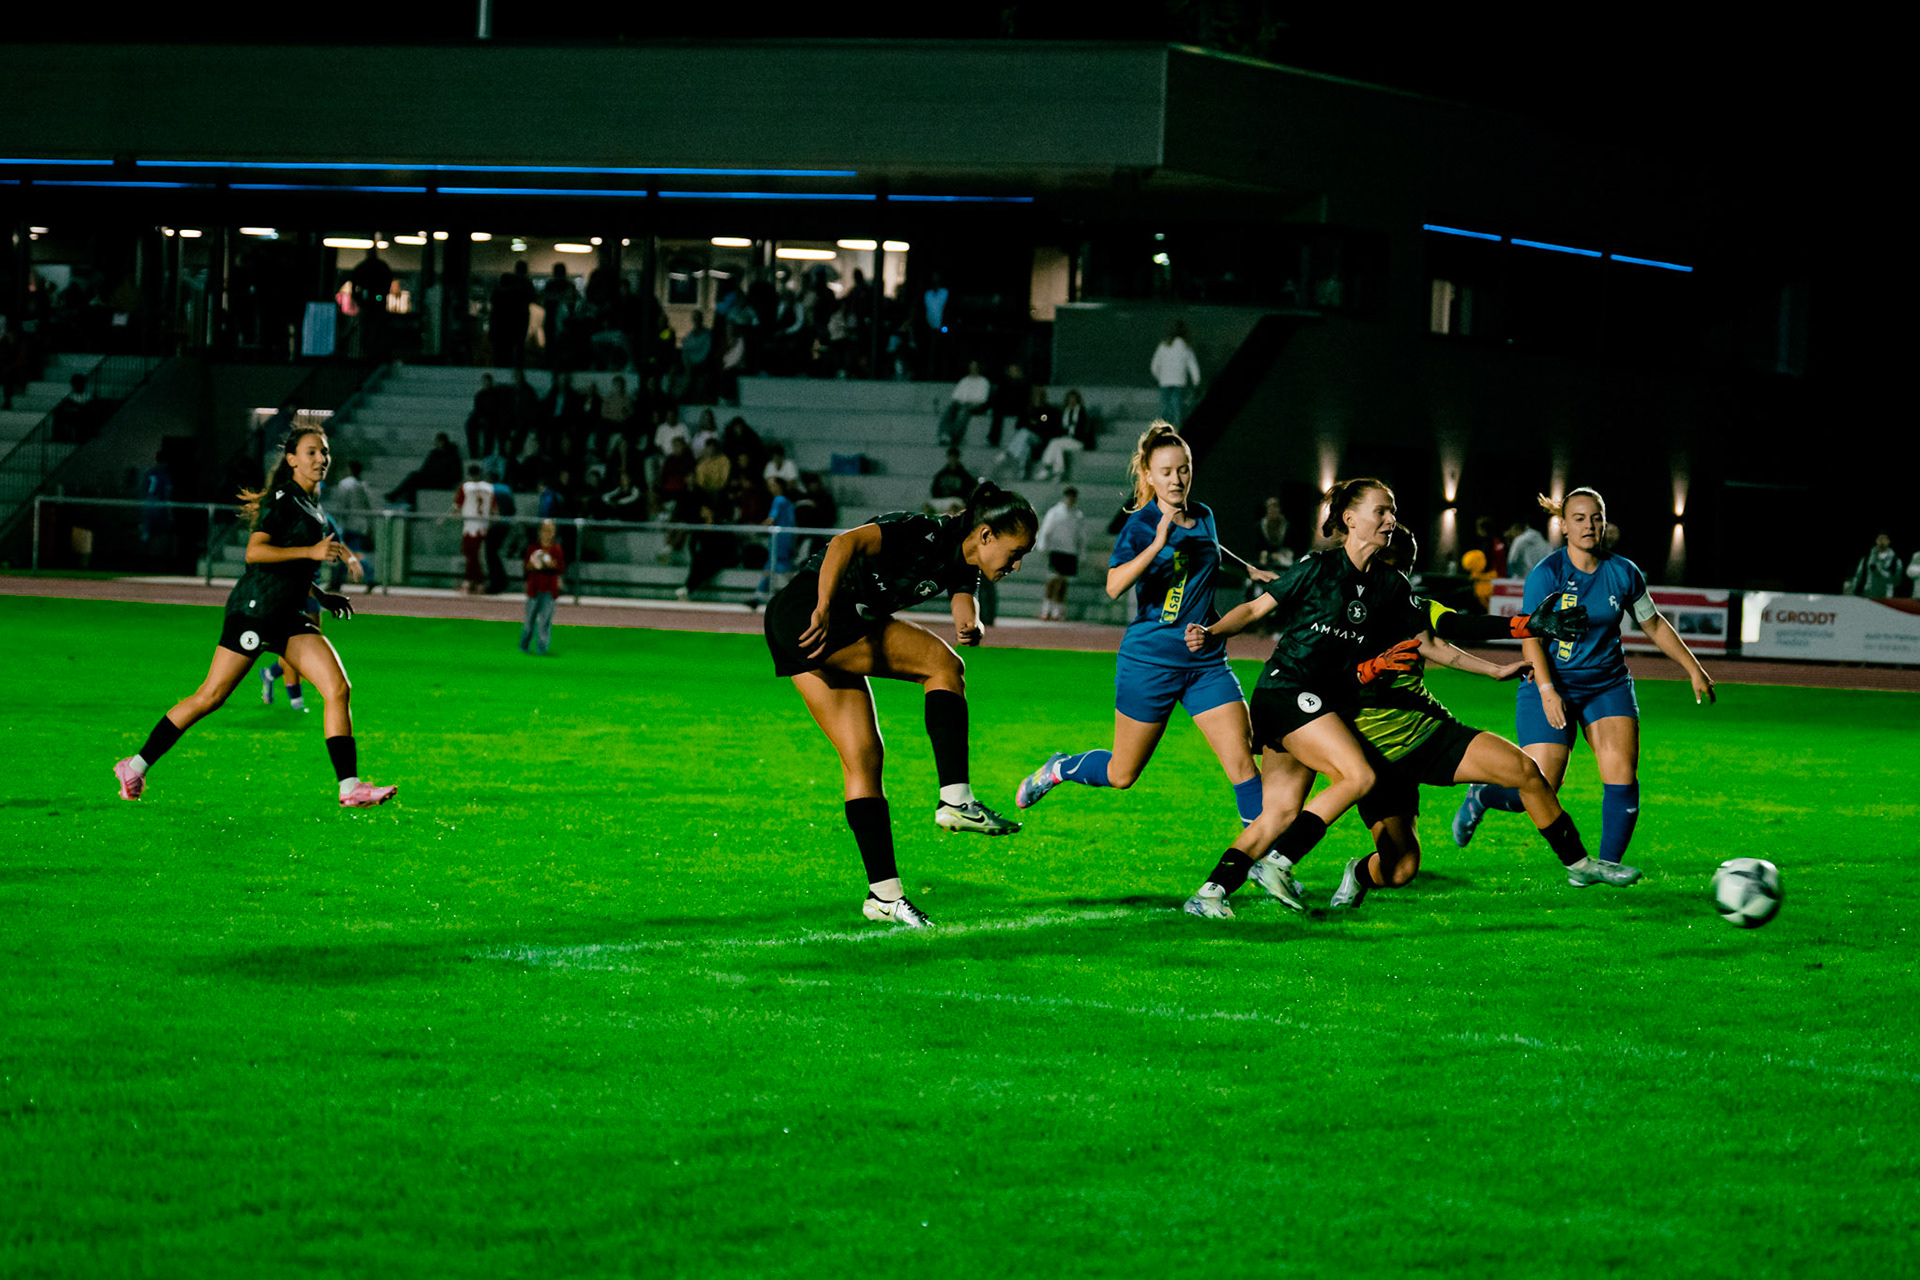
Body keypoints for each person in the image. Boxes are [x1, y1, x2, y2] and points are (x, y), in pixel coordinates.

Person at [1176, 478, 1633, 920]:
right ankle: (1278, 863)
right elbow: (1256, 610)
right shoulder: (1318, 568)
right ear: (1350, 520)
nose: (1391, 519)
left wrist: (1512, 643)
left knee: (1280, 813)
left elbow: (1440, 635)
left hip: (1326, 707)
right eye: (1382, 510)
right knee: (1356, 775)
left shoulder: (1390, 588)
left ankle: (1211, 890)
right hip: (1288, 692)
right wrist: (1211, 632)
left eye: (1393, 511)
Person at [1256, 528, 1611, 909]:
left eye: (1403, 568)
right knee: (1402, 869)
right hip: (1374, 751)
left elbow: (1455, 627)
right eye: (1391, 565)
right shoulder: (1338, 610)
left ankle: (1578, 862)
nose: (1396, 576)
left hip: (1427, 731)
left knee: (1524, 769)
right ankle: (1355, 872)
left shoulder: (1410, 604)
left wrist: (1516, 638)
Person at [761, 481, 1037, 927]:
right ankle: (956, 799)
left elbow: (965, 605)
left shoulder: (966, 563)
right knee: (943, 666)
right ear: (986, 535)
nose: (1019, 563)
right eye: (1016, 551)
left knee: (864, 759)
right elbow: (842, 543)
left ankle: (884, 896)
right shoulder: (923, 532)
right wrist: (825, 604)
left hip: (811, 625)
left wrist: (974, 625)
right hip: (813, 614)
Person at [1013, 425, 1279, 870]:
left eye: (1184, 470)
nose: (1177, 479)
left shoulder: (1204, 513)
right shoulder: (1138, 527)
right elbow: (1115, 585)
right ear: (1150, 477)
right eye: (1167, 472)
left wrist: (1250, 567)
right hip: (1149, 661)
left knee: (1244, 766)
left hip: (1206, 660)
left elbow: (1209, 546)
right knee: (1122, 775)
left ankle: (1264, 867)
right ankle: (1059, 768)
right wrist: (1156, 542)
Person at [112, 426, 396, 809]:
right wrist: (312, 553)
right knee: (210, 697)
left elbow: (293, 564)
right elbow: (256, 553)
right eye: (311, 452)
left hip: (288, 613)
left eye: (324, 453)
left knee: (338, 688)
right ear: (292, 459)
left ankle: (350, 787)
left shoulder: (314, 507)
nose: (321, 459)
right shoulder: (282, 499)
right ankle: (135, 765)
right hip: (256, 611)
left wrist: (320, 595)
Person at [1453, 487, 1717, 867]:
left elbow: (1654, 624)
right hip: (1549, 684)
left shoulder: (1624, 572)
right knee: (1542, 785)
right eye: (1579, 518)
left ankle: (1604, 869)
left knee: (1622, 775)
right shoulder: (1547, 575)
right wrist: (1546, 691)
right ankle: (1482, 796)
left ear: (1605, 522)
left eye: (1596, 517)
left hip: (1607, 685)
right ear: (1563, 526)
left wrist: (1694, 669)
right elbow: (1530, 637)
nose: (1589, 526)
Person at [1034, 486, 1087, 621]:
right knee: (1053, 580)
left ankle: (1058, 611)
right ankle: (1046, 609)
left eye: (1073, 497)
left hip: (1070, 551)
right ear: (1065, 497)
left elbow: (1081, 537)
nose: (1071, 500)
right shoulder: (1055, 512)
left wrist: (1081, 554)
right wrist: (1043, 547)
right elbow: (1046, 529)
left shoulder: (1078, 515)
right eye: (1069, 497)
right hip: (1056, 550)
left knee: (1063, 582)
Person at [327, 459, 376, 593]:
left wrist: (336, 525)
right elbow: (369, 506)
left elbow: (341, 505)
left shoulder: (345, 484)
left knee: (344, 552)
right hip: (361, 525)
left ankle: (368, 577)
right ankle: (338, 582)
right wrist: (370, 526)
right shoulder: (363, 485)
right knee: (351, 552)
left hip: (347, 524)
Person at [521, 519, 566, 655]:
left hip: (549, 590)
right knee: (529, 622)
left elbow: (561, 568)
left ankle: (542, 649)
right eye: (545, 530)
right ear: (540, 532)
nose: (547, 534)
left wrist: (552, 565)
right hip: (534, 590)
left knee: (545, 622)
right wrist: (532, 565)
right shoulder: (533, 549)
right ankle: (524, 646)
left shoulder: (556, 549)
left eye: (550, 530)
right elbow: (526, 568)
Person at [385, 433, 461, 509]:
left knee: (413, 478)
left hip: (444, 482)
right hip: (431, 479)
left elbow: (455, 473)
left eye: (437, 441)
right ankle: (408, 503)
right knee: (413, 480)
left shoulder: (452, 455)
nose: (435, 444)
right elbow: (425, 468)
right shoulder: (434, 453)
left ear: (442, 442)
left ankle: (396, 496)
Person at [1035, 389, 1095, 481]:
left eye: (1074, 399)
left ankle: (1047, 467)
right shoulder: (1064, 412)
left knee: (1055, 443)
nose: (1072, 401)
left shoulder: (1081, 412)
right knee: (1057, 447)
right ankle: (1058, 472)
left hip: (1078, 441)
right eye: (1070, 399)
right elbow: (1060, 429)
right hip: (1065, 440)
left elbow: (1083, 431)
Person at [1150, 321, 1201, 426]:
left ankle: (1160, 427)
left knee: (1164, 406)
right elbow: (1193, 366)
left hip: (1165, 381)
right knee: (1177, 406)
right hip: (1179, 381)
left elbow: (1155, 365)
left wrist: (1158, 377)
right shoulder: (1186, 348)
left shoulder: (1163, 346)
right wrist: (1196, 382)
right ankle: (1177, 428)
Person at [455, 464, 495, 595]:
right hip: (484, 526)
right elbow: (495, 510)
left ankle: (473, 582)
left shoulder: (465, 487)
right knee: (476, 556)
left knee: (471, 556)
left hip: (470, 526)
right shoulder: (489, 488)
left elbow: (457, 506)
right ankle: (475, 582)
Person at [758, 475, 798, 604]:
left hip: (779, 542)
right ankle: (759, 594)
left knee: (781, 568)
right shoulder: (788, 502)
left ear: (780, 486)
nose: (770, 488)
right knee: (771, 568)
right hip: (786, 540)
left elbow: (771, 520)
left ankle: (799, 593)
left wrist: (757, 528)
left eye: (773, 485)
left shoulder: (779, 501)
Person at [489, 262, 536, 370]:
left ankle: (503, 367)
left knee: (501, 354)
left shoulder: (499, 296)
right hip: (512, 329)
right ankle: (514, 367)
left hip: (503, 330)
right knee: (513, 351)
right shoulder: (518, 291)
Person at [935, 361, 992, 447]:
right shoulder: (964, 380)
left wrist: (967, 402)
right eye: (971, 367)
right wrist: (960, 402)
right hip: (961, 403)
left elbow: (982, 399)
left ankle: (954, 437)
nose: (973, 369)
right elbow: (955, 396)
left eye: (975, 367)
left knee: (963, 411)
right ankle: (944, 434)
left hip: (977, 406)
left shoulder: (984, 381)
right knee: (950, 408)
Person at [1847, 533, 1901, 597]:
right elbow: (1858, 575)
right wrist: (1852, 590)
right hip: (1867, 593)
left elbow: (1897, 581)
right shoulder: (1867, 558)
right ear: (1876, 540)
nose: (1882, 541)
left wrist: (1880, 572)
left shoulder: (1895, 560)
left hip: (1886, 595)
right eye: (1880, 538)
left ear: (1889, 541)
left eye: (1885, 538)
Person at [928, 447, 975, 513]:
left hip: (957, 500)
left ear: (958, 458)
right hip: (942, 500)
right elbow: (934, 490)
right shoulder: (941, 475)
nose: (953, 460)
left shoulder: (965, 476)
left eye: (954, 457)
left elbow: (968, 491)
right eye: (951, 457)